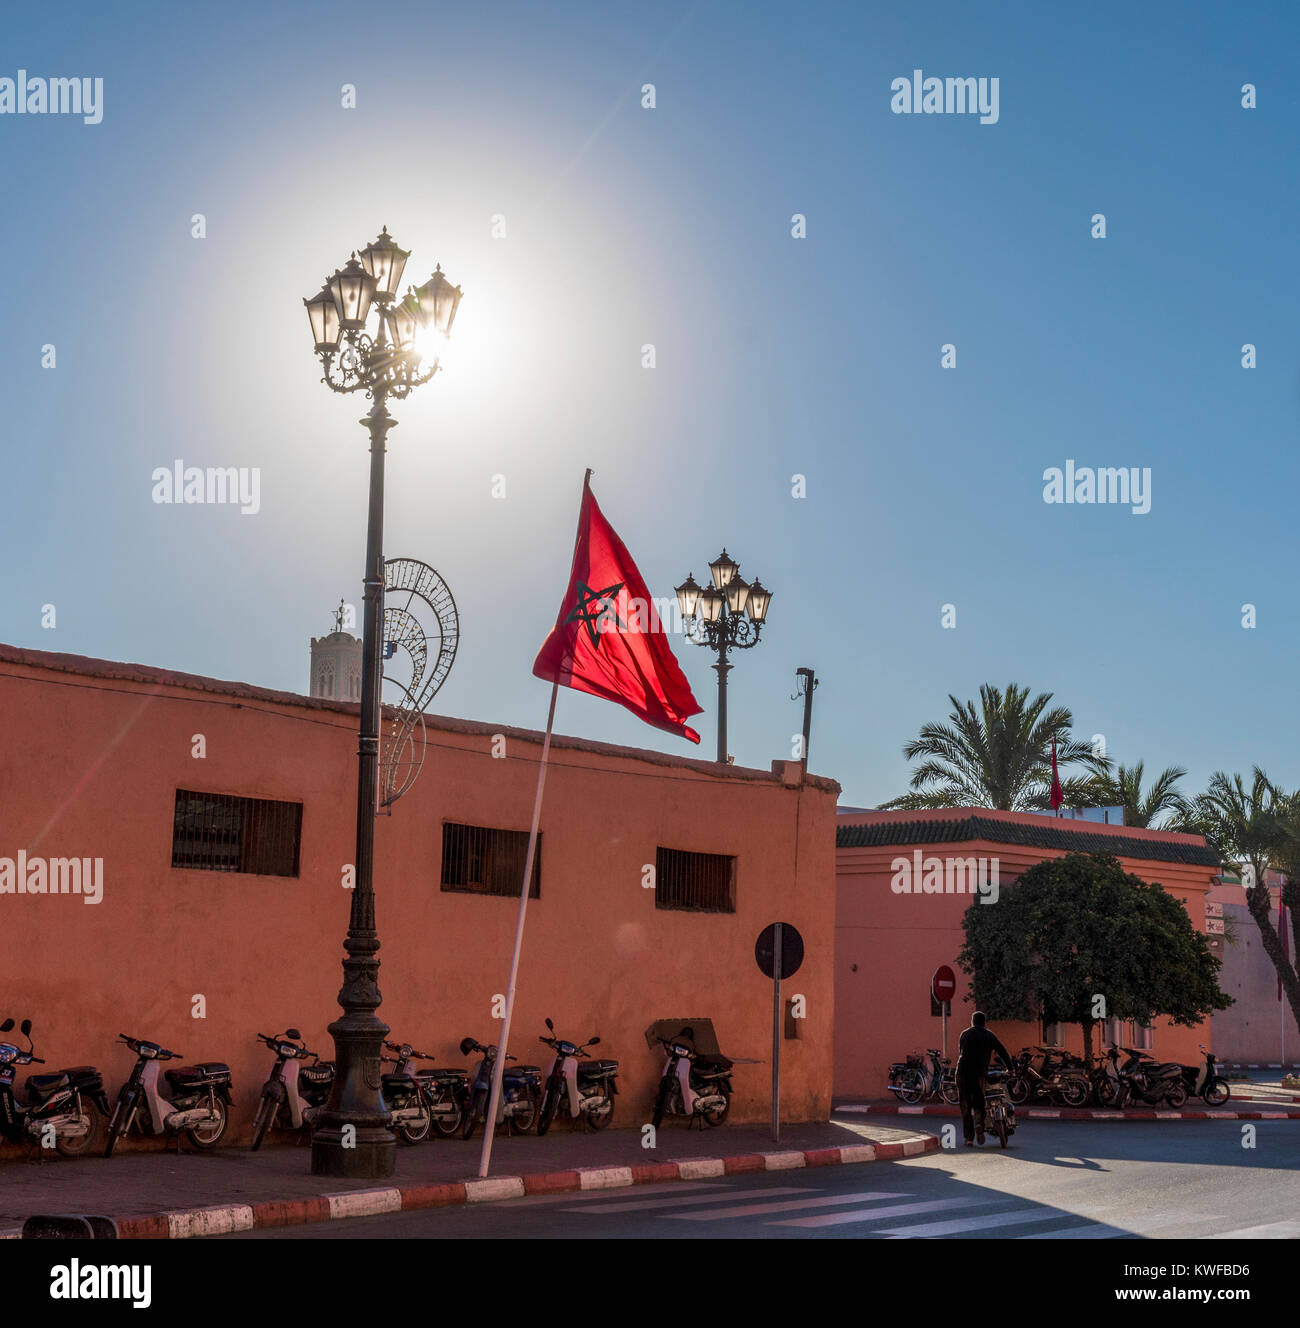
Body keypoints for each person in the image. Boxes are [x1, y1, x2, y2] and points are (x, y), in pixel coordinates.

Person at [956, 1011, 1013, 1146]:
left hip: (962, 1072)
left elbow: (961, 1052)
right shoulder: (989, 1035)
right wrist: (1010, 1068)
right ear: (984, 1022)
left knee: (965, 1105)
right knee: (979, 1102)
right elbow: (1002, 1051)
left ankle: (969, 1138)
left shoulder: (965, 1033)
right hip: (979, 1074)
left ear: (972, 1021)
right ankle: (979, 1123)